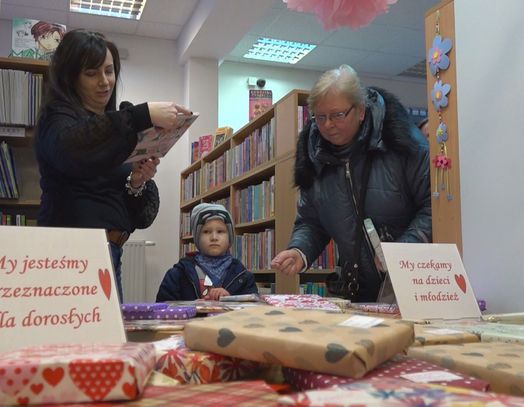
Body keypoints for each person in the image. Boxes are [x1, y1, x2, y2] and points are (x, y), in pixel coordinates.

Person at [35, 29, 192, 302]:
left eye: (109, 71)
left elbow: (138, 217)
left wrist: (137, 181)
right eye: (91, 73)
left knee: (104, 341)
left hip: (112, 250)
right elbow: (72, 147)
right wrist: (143, 114)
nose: (105, 82)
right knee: (82, 342)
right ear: (71, 77)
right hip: (71, 252)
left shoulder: (116, 129)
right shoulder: (58, 116)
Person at [271, 64, 431, 302]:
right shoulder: (313, 156)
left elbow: (434, 208)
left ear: (361, 111)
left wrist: (402, 250)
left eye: (337, 115)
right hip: (356, 289)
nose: (327, 125)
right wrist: (299, 251)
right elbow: (312, 220)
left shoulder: (404, 144)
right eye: (320, 117)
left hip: (413, 285)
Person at [156, 203, 258, 301]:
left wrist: (230, 300)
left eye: (220, 231)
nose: (214, 237)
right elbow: (162, 307)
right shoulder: (178, 273)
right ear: (197, 238)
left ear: (230, 238)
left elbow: (253, 310)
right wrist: (192, 307)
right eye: (206, 232)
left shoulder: (243, 276)